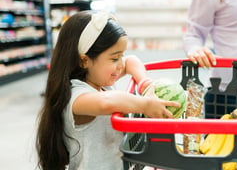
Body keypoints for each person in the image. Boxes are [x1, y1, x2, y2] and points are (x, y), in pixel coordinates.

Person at [36, 10, 180, 170]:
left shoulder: (100, 79)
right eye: (114, 58)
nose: (120, 64)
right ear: (84, 61)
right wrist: (145, 105)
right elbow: (107, 102)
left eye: (121, 55)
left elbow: (132, 61)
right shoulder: (75, 96)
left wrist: (144, 82)